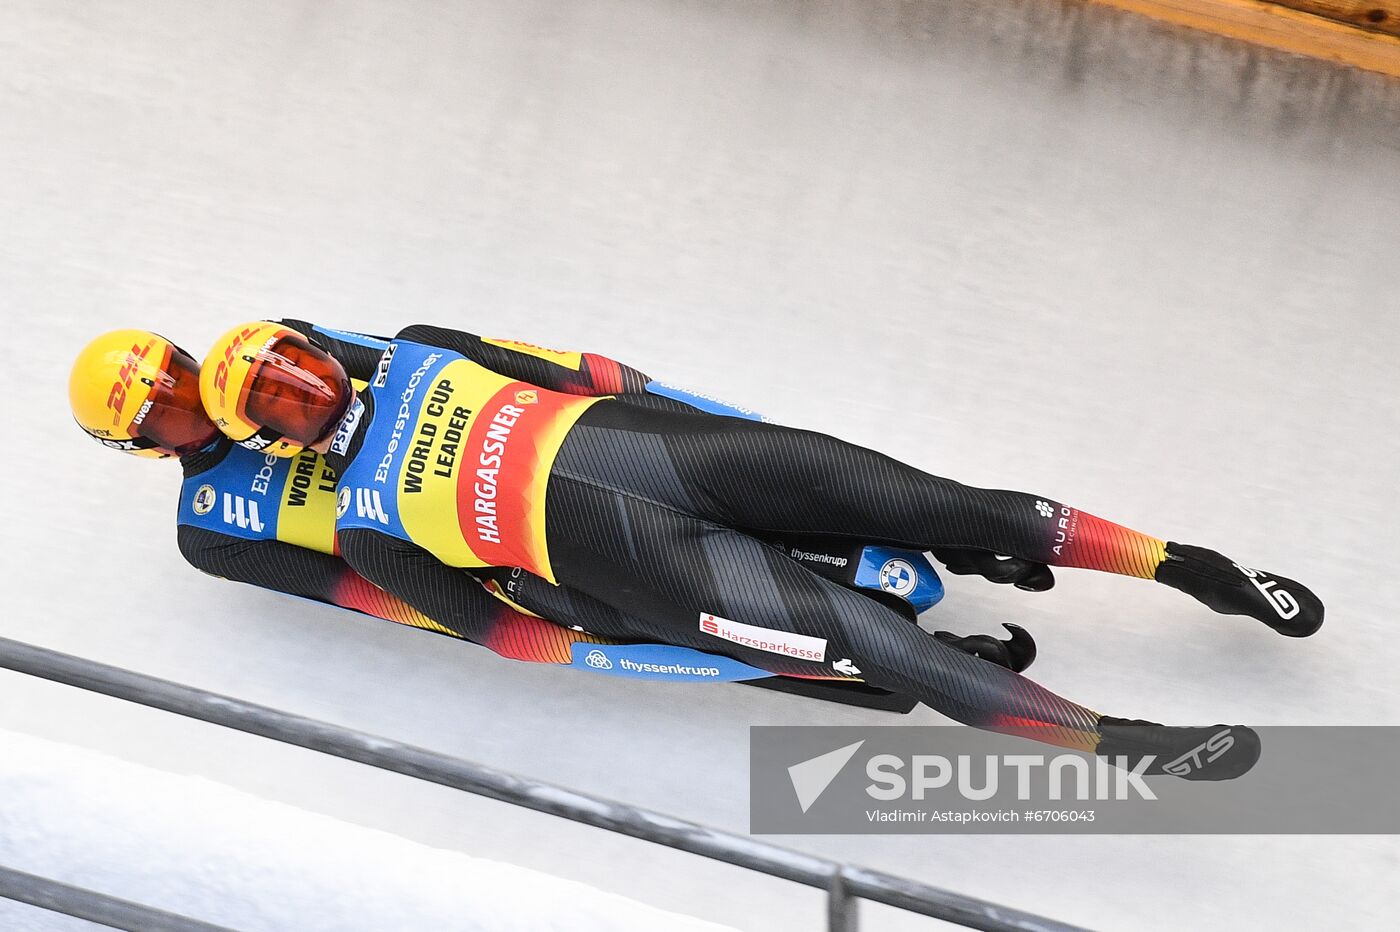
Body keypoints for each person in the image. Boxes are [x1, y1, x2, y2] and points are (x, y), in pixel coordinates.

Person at [199, 320, 1325, 779]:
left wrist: (692, 410)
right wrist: (618, 634)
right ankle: (1116, 741)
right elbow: (498, 629)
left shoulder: (419, 352)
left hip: (683, 457)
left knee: (959, 503)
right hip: (647, 567)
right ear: (270, 435)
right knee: (899, 658)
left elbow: (585, 375)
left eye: (297, 363)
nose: (305, 389)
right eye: (280, 401)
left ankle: (1186, 564)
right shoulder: (366, 523)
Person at [68, 324, 989, 705]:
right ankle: (879, 668)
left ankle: (955, 530)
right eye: (168, 415)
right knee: (635, 606)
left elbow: (430, 360)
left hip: (517, 458)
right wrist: (493, 626)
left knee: (743, 472)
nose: (193, 406)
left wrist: (621, 392)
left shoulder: (266, 356)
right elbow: (355, 589)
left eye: (184, 384)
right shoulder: (211, 532)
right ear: (149, 446)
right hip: (472, 553)